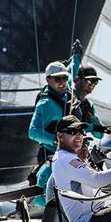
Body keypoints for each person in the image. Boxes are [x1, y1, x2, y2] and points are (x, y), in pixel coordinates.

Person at [51, 115, 111, 222]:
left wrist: (92, 162)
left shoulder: (71, 158)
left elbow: (100, 185)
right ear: (60, 136)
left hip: (100, 208)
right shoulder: (66, 160)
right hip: (86, 219)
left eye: (81, 132)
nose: (79, 136)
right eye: (73, 131)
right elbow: (97, 181)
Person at [28, 42, 82, 206]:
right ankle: (51, 210)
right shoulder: (45, 104)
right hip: (52, 152)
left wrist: (77, 55)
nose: (62, 82)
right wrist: (54, 140)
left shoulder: (67, 86)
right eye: (57, 79)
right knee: (42, 185)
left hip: (74, 149)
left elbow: (72, 69)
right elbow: (32, 131)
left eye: (64, 78)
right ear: (48, 80)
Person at [72, 65, 111, 139]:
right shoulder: (68, 99)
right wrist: (94, 127)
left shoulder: (89, 105)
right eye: (89, 80)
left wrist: (95, 123)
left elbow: (99, 135)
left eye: (95, 81)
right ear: (77, 80)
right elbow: (70, 126)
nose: (93, 84)